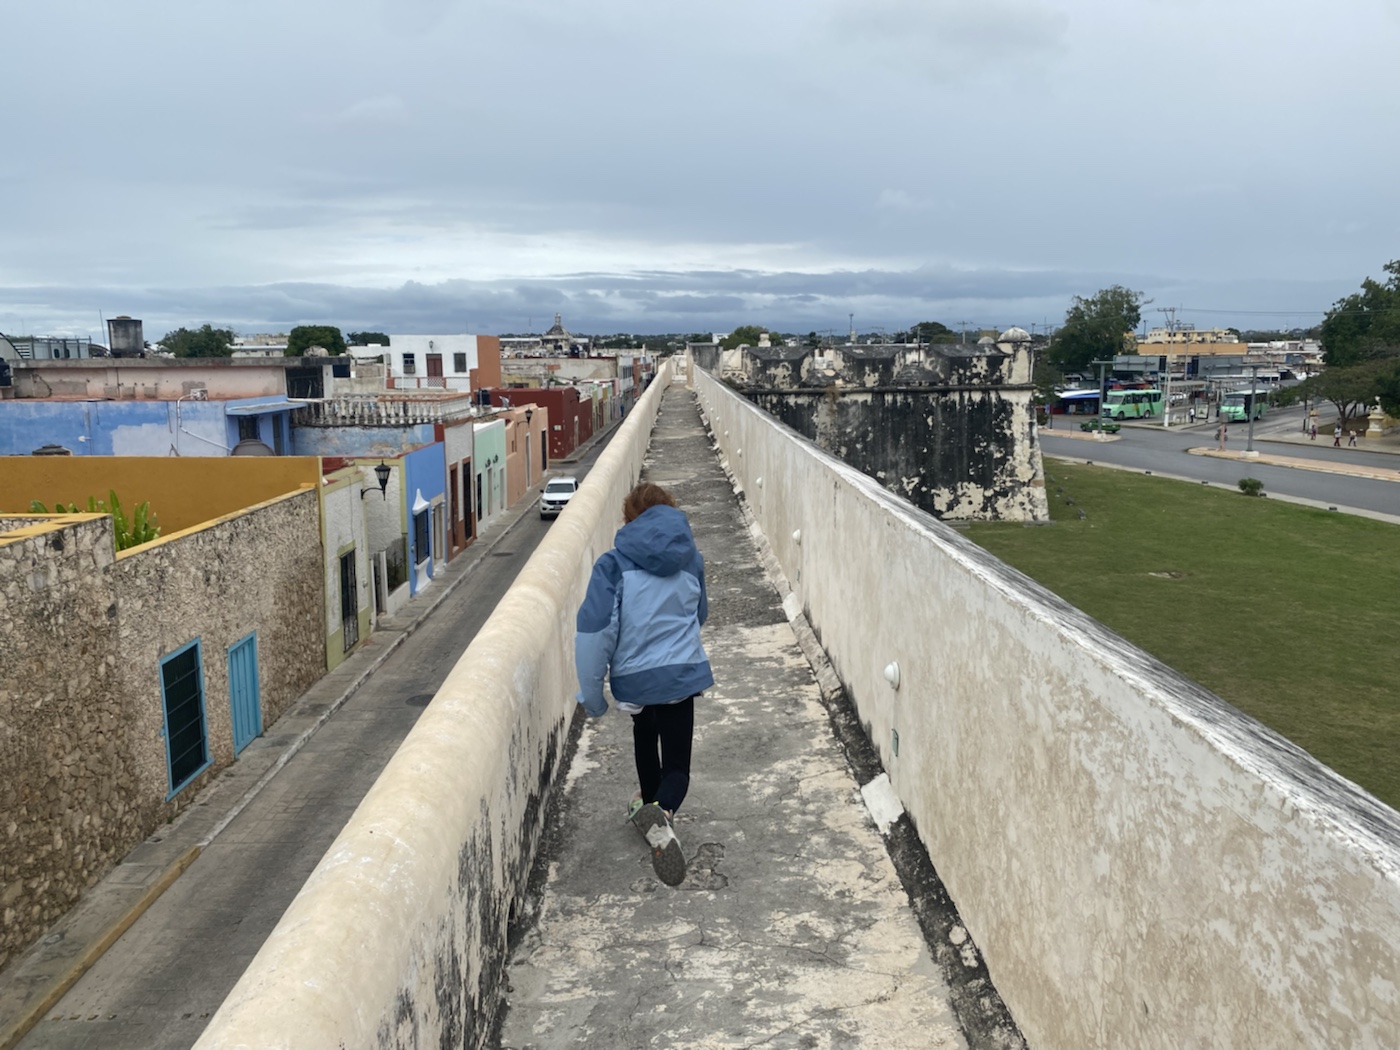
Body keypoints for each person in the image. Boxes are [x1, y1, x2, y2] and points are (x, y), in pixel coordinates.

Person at [575, 482, 713, 886]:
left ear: (629, 519)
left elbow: (594, 633)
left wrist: (592, 696)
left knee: (644, 733)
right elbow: (699, 613)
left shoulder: (613, 565)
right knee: (678, 767)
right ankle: (664, 810)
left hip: (636, 680)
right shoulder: (691, 560)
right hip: (680, 675)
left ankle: (650, 806)